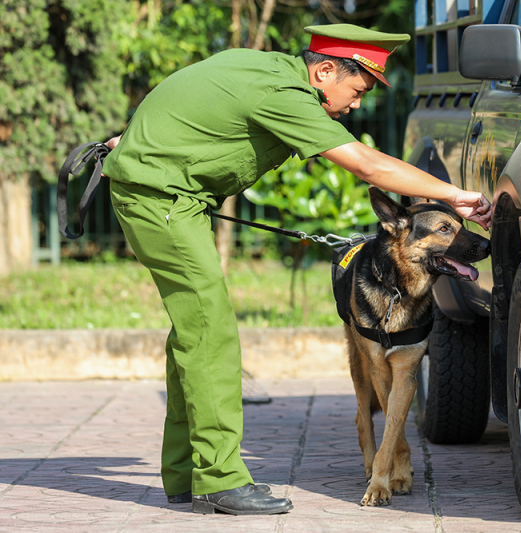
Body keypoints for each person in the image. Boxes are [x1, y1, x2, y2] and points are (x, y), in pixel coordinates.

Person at [101, 24, 492, 516]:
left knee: (194, 335)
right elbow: (368, 166)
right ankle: (220, 481)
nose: (355, 105)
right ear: (325, 70)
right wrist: (454, 195)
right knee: (210, 333)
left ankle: (186, 475)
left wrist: (143, 139)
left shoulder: (266, 70)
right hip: (162, 201)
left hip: (170, 196)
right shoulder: (286, 94)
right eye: (356, 90)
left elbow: (193, 99)